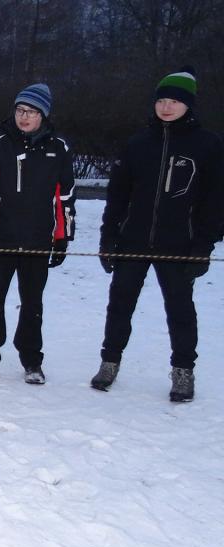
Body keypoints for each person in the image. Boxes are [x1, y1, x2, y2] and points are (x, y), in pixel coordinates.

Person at [91, 68, 224, 402]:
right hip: (133, 239)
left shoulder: (207, 145)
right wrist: (109, 238)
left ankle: (183, 371)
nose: (166, 107)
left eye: (174, 101)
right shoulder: (137, 143)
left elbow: (215, 201)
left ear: (188, 105)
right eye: (161, 100)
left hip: (180, 242)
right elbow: (118, 196)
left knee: (179, 308)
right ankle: (110, 361)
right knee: (119, 303)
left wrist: (203, 245)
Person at [0, 83, 75, 386]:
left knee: (33, 302)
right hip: (0, 239)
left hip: (37, 241)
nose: (24, 117)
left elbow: (64, 197)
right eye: (20, 110)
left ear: (43, 114)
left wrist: (62, 237)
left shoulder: (59, 148)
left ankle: (31, 359)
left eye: (31, 111)